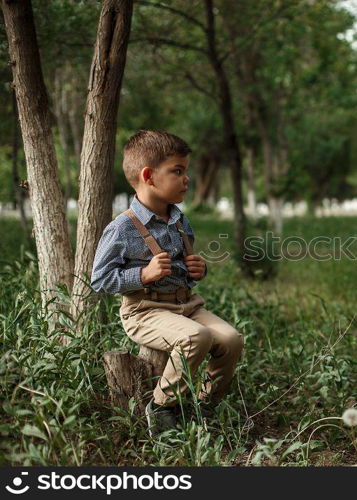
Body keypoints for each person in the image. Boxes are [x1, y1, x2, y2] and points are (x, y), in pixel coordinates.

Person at [91, 130, 244, 436]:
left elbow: (183, 269)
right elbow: (100, 280)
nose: (186, 179)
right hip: (145, 311)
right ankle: (162, 407)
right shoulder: (121, 228)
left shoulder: (179, 219)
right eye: (177, 171)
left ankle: (204, 405)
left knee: (231, 339)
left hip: (186, 305)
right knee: (196, 337)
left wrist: (197, 270)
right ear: (148, 176)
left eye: (185, 171)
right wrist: (142, 275)